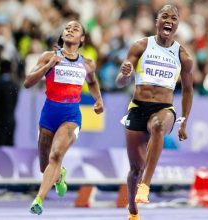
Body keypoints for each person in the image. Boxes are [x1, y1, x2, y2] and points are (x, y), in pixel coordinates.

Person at [115, 4, 194, 220]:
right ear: (157, 21)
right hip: (138, 108)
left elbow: (188, 90)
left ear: (177, 25)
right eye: (164, 16)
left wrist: (184, 122)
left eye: (174, 18)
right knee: (134, 169)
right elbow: (121, 82)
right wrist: (124, 75)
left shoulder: (183, 56)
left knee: (158, 126)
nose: (169, 20)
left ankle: (146, 186)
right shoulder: (140, 46)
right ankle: (132, 210)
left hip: (163, 108)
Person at [23, 20, 104, 215]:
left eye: (75, 29)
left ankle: (39, 200)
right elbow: (27, 82)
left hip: (71, 116)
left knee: (56, 155)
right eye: (67, 28)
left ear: (82, 39)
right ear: (62, 35)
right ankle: (59, 177)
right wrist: (48, 66)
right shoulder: (48, 56)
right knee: (45, 166)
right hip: (48, 115)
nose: (69, 30)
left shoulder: (87, 63)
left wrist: (98, 100)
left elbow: (92, 83)